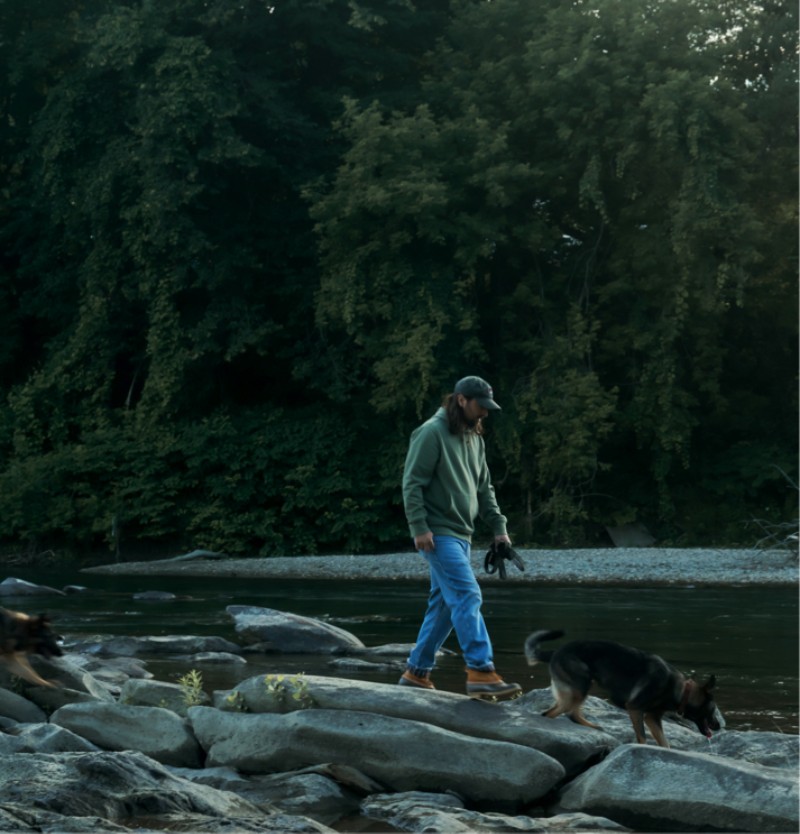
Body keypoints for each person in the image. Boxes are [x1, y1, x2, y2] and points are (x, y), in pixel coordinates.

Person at [399, 375, 521, 699]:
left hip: (462, 534)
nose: (485, 412)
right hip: (438, 533)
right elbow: (412, 483)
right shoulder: (430, 433)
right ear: (462, 400)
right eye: (481, 406)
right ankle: (481, 671)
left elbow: (484, 489)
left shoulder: (474, 439)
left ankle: (416, 672)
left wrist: (499, 528)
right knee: (468, 595)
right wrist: (418, 527)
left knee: (442, 607)